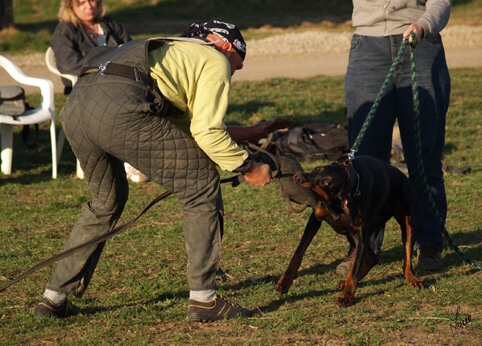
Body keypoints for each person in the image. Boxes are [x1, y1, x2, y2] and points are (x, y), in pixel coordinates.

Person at [33, 20, 292, 322]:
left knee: (106, 202)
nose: (237, 69)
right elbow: (207, 134)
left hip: (77, 109)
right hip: (121, 111)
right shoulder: (215, 58)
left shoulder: (168, 55)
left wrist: (249, 132)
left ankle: (54, 298)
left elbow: (192, 129)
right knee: (200, 185)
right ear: (223, 44)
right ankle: (204, 299)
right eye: (238, 59)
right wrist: (248, 166)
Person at [338, 0, 451, 275]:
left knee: (424, 157)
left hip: (421, 43)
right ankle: (364, 247)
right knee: (364, 163)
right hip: (367, 46)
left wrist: (423, 25)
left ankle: (428, 244)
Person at [50, 0, 148, 182]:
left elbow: (133, 51)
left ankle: (137, 159)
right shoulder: (65, 31)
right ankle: (129, 163)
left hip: (119, 84)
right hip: (86, 89)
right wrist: (106, 70)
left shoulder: (110, 25)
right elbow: (70, 64)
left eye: (92, 0)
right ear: (70, 6)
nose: (89, 6)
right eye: (81, 2)